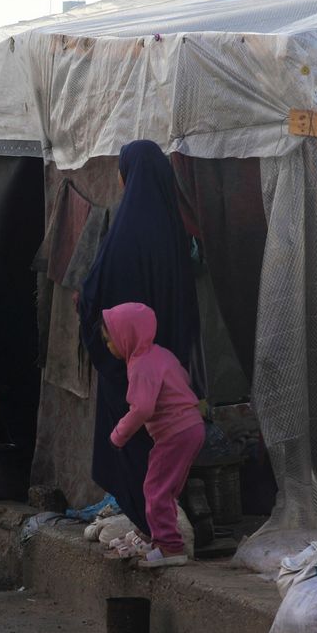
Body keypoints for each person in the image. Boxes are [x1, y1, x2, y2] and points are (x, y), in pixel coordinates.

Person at [77, 140, 201, 539]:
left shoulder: (125, 234)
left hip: (127, 363)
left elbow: (95, 295)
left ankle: (154, 530)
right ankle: (164, 525)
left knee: (131, 443)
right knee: (165, 443)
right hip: (168, 363)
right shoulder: (173, 231)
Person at [100, 303, 204, 568]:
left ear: (127, 336)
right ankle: (154, 535)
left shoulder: (141, 365)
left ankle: (170, 547)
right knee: (165, 488)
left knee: (156, 489)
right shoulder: (161, 355)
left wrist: (118, 435)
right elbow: (183, 379)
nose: (108, 346)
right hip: (191, 427)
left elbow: (143, 408)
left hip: (175, 432)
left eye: (110, 339)